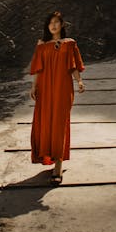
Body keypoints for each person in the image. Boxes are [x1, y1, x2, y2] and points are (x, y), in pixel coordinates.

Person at [29, 10, 85, 184]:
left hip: (62, 88)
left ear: (62, 25)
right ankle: (50, 157)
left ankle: (58, 167)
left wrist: (79, 81)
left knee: (60, 124)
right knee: (45, 123)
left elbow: (73, 66)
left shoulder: (70, 44)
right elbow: (38, 68)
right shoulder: (42, 45)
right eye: (50, 22)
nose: (53, 25)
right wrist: (33, 86)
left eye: (56, 22)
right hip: (44, 88)